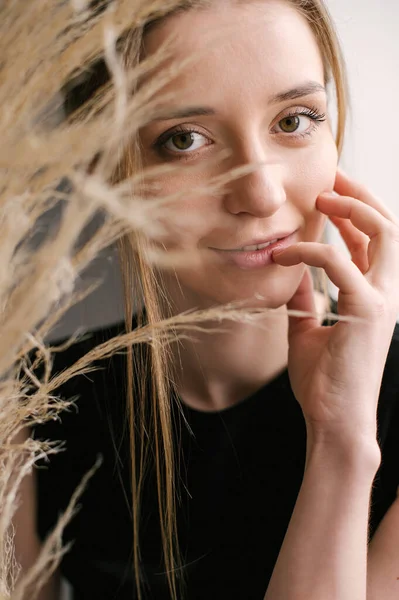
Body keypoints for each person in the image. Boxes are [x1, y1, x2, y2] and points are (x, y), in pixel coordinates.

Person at [13, 1, 399, 599]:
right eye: (184, 139)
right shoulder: (33, 410)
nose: (263, 193)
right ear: (100, 168)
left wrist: (342, 440)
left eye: (295, 120)